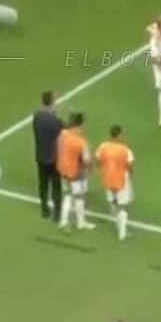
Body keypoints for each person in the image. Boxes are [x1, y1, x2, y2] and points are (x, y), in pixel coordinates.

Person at [56, 112, 95, 232]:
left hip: (63, 170)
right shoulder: (81, 142)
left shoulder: (62, 134)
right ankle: (81, 223)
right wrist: (91, 169)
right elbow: (87, 160)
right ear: (79, 125)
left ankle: (63, 221)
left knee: (67, 195)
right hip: (76, 173)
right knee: (79, 197)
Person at [95, 125, 134, 241]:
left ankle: (116, 222)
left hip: (108, 178)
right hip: (121, 179)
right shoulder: (125, 149)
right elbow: (130, 165)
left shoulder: (103, 147)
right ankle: (122, 233)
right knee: (122, 206)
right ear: (119, 134)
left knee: (113, 201)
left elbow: (98, 162)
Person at [32, 91, 63, 221]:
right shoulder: (56, 121)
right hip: (54, 158)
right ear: (51, 102)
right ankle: (57, 213)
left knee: (43, 184)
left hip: (40, 155)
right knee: (56, 185)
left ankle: (44, 210)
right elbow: (63, 132)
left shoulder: (36, 117)